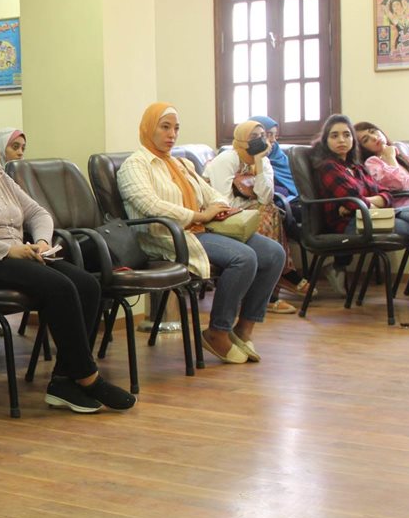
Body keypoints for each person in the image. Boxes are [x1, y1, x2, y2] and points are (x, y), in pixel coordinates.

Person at [0, 117, 134, 413]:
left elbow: (38, 213)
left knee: (88, 285)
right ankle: (88, 377)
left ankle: (63, 381)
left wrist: (41, 242)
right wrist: (8, 249)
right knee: (60, 288)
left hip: (19, 254)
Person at [117, 103, 284, 365]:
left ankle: (244, 329)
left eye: (176, 128)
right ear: (148, 127)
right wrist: (199, 216)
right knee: (243, 258)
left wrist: (218, 208)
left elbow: (211, 194)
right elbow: (152, 206)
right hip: (168, 236)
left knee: (274, 253)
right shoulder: (135, 165)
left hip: (202, 229)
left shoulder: (180, 163)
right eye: (165, 127)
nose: (172, 134)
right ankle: (218, 331)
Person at [312, 114, 409, 312]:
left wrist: (365, 202)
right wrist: (364, 202)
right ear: (326, 140)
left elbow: (386, 195)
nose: (341, 140)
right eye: (335, 136)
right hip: (350, 224)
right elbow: (352, 199)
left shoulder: (356, 167)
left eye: (346, 135)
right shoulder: (328, 166)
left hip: (369, 216)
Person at [203, 121, 302, 313]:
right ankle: (272, 285)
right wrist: (251, 207)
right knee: (264, 212)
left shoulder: (263, 160)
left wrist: (259, 162)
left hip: (245, 211)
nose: (260, 140)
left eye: (263, 136)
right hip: (215, 215)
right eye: (254, 137)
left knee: (270, 209)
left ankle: (268, 285)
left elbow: (265, 197)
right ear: (241, 138)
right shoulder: (227, 159)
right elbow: (223, 202)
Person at [355, 121, 409, 204]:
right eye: (366, 140)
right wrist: (390, 157)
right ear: (362, 149)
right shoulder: (372, 163)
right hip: (407, 207)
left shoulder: (405, 158)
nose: (374, 137)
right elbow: (400, 184)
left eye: (373, 131)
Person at [248, 116, 296, 200]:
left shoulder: (277, 153)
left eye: (275, 135)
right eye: (268, 135)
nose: (273, 140)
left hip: (294, 199)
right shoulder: (243, 158)